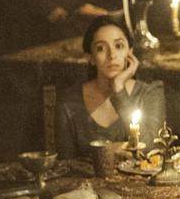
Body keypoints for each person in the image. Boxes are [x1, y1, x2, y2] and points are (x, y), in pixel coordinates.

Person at [55, 16, 165, 159]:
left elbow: (152, 150)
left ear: (130, 52)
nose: (112, 55)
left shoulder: (150, 93)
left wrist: (119, 90)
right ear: (91, 58)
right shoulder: (69, 102)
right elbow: (65, 164)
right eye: (101, 48)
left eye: (118, 46)